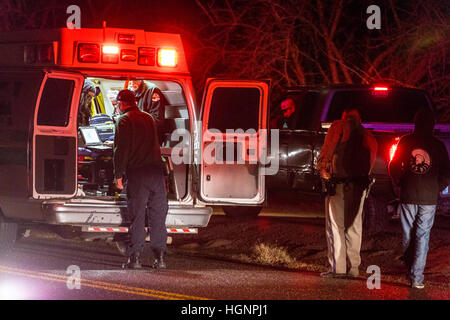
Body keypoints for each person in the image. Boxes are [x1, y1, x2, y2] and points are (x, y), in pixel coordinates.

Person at [389, 108, 449, 289]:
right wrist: (438, 187)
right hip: (429, 198)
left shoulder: (406, 141)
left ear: (415, 123)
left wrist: (399, 182)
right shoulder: (437, 145)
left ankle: (411, 269)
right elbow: (447, 171)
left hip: (408, 194)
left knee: (408, 234)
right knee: (422, 236)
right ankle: (416, 277)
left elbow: (393, 165)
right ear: (432, 125)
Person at [316, 109, 378, 278]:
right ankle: (354, 268)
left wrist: (323, 168)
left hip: (339, 185)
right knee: (354, 227)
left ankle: (338, 268)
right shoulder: (369, 137)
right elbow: (370, 165)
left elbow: (326, 153)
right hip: (359, 189)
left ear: (344, 118)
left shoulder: (338, 127)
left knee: (336, 227)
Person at [113, 89, 169, 269]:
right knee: (158, 217)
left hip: (138, 174)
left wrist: (118, 175)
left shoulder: (123, 120)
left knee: (137, 217)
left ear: (121, 103)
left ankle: (135, 258)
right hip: (156, 173)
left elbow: (121, 150)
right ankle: (160, 259)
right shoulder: (148, 118)